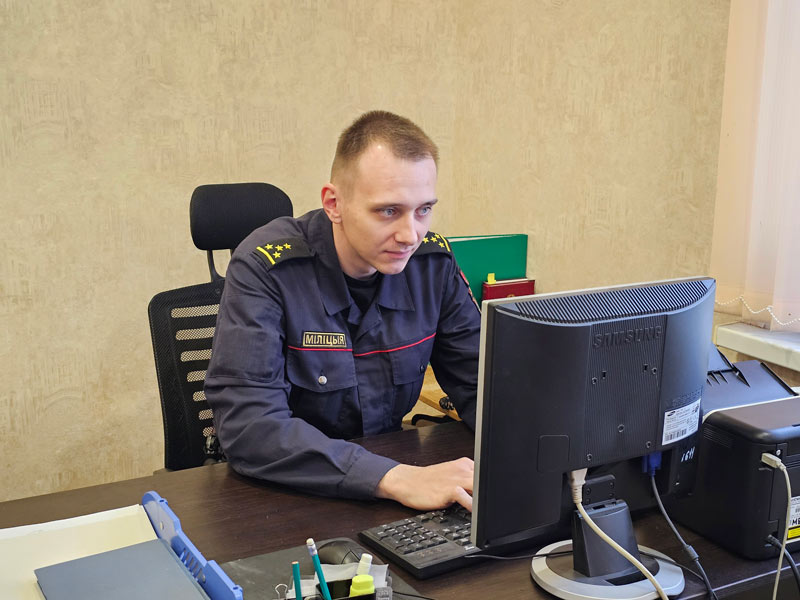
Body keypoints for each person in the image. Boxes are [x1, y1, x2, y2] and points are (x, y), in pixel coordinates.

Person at [205, 111, 480, 511]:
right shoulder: (266, 269)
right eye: (388, 211)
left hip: (391, 489)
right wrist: (394, 477)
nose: (410, 235)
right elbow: (250, 426)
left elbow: (482, 383)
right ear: (334, 204)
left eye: (423, 209)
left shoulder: (431, 265)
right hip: (285, 494)